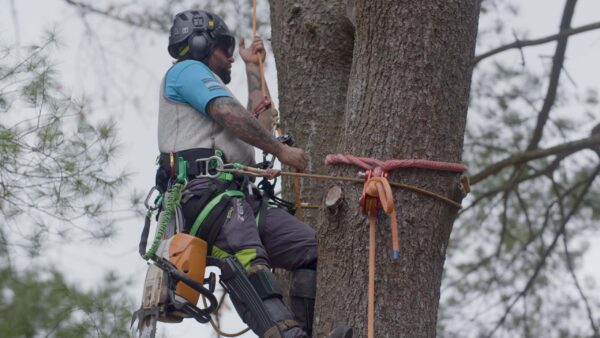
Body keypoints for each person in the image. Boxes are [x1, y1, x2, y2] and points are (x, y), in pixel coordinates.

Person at [156, 9, 327, 338]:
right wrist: (282, 151)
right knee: (248, 257)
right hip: (207, 196)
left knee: (313, 251)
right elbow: (229, 113)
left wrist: (253, 68)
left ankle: (304, 332)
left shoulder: (210, 93)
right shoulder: (187, 72)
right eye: (225, 48)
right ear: (201, 44)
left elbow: (256, 124)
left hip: (242, 200)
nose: (231, 57)